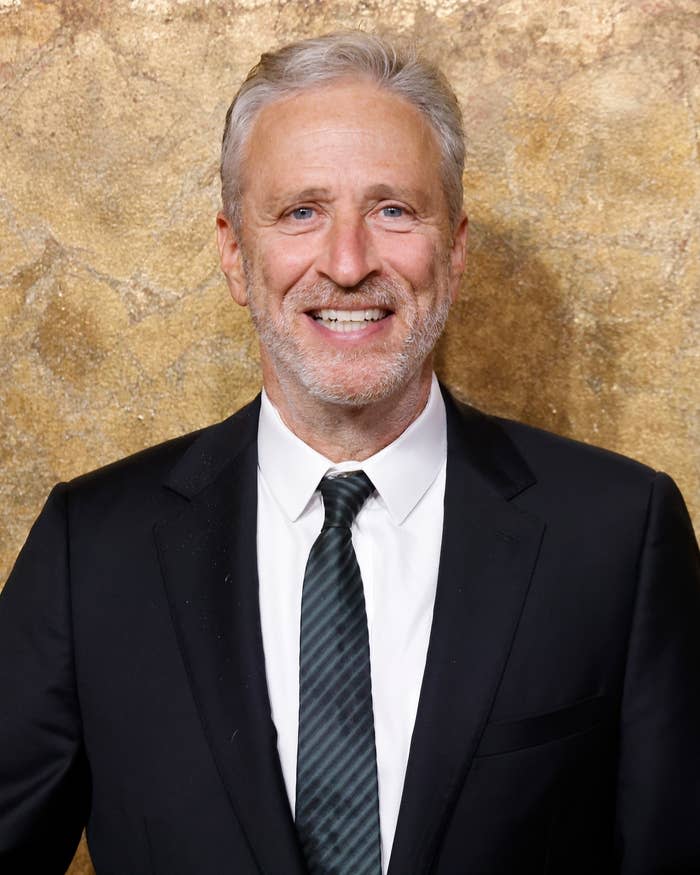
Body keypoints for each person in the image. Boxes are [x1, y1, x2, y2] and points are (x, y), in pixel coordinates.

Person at [1, 31, 698, 875]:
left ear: (457, 246)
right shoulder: (92, 548)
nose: (347, 262)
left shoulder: (618, 535)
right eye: (301, 211)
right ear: (234, 252)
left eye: (393, 210)